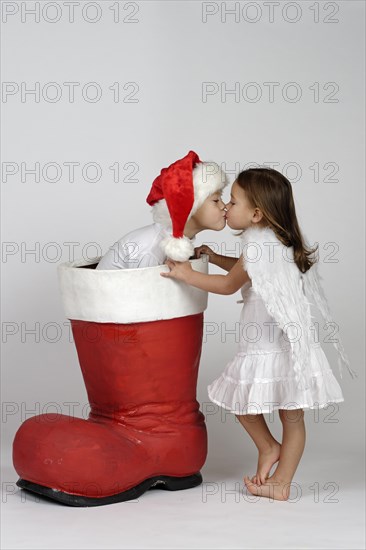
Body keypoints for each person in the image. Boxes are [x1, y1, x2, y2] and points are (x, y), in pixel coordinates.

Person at [160, 167, 358, 501]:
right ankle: (275, 462)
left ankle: (276, 470)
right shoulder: (275, 243)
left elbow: (228, 285)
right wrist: (215, 256)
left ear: (255, 214)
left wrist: (186, 274)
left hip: (266, 344)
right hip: (286, 346)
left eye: (233, 202)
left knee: (251, 406)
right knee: (289, 416)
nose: (226, 208)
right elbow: (248, 274)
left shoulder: (257, 249)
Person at [96, 150, 228, 269]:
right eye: (216, 200)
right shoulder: (151, 250)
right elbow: (145, 294)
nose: (224, 206)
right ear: (189, 207)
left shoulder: (172, 240)